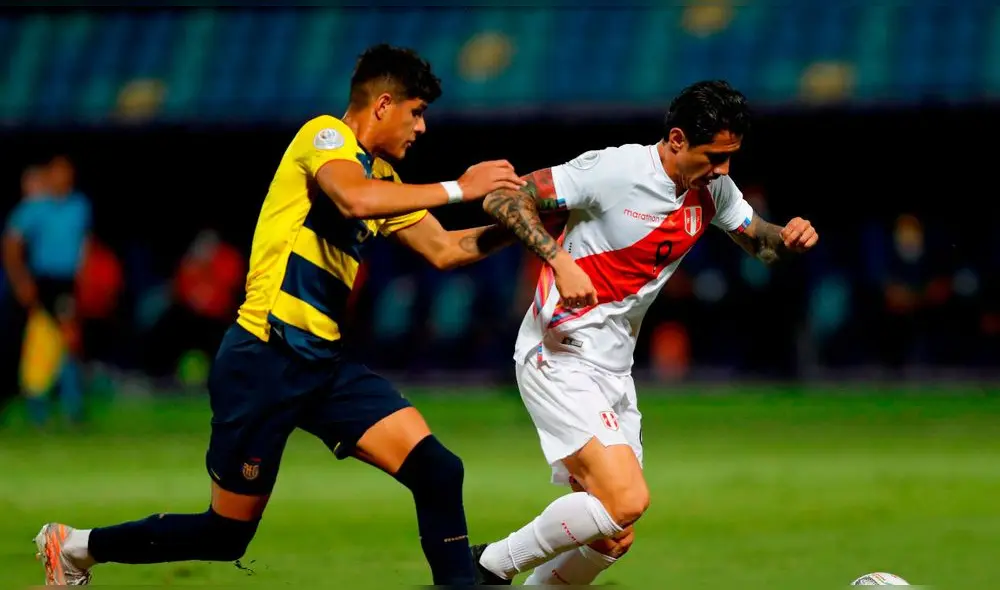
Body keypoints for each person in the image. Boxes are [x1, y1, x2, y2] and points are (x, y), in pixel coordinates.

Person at [33, 44, 523, 586]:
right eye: (417, 112)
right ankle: (75, 547)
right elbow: (354, 199)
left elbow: (446, 249)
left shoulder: (383, 178)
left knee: (437, 470)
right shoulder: (325, 137)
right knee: (225, 534)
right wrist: (462, 188)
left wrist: (526, 226)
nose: (422, 127)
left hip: (322, 367)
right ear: (384, 104)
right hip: (262, 359)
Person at [471, 80, 819, 585]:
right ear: (677, 139)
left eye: (730, 157)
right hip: (559, 353)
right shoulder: (615, 170)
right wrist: (559, 260)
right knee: (625, 500)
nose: (723, 169)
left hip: (614, 368)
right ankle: (485, 567)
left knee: (613, 536)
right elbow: (504, 199)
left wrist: (788, 238)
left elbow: (760, 243)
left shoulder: (713, 189)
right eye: (714, 156)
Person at [2, 157, 92, 426]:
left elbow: (83, 243)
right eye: (56, 172)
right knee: (42, 341)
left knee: (67, 341)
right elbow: (11, 243)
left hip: (67, 282)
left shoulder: (80, 205)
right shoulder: (37, 207)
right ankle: (41, 405)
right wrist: (21, 280)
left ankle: (69, 405)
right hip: (43, 281)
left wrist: (85, 276)